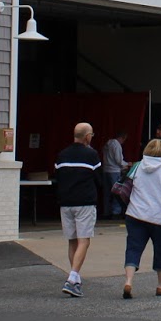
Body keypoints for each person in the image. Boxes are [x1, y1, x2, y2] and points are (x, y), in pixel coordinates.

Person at [123, 138, 161, 299]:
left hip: (135, 214)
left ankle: (128, 281)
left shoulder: (137, 167)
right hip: (159, 218)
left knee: (133, 248)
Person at [52, 122, 102, 297]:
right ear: (87, 136)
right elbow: (99, 179)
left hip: (66, 203)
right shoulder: (92, 155)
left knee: (72, 240)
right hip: (85, 202)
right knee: (84, 240)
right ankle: (72, 279)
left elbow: (57, 177)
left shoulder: (62, 155)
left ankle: (76, 277)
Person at [101, 130, 128, 220]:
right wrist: (126, 164)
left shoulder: (107, 144)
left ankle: (106, 211)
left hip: (106, 170)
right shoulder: (117, 145)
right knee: (116, 192)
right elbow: (118, 160)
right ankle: (116, 212)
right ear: (123, 138)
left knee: (107, 193)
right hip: (114, 171)